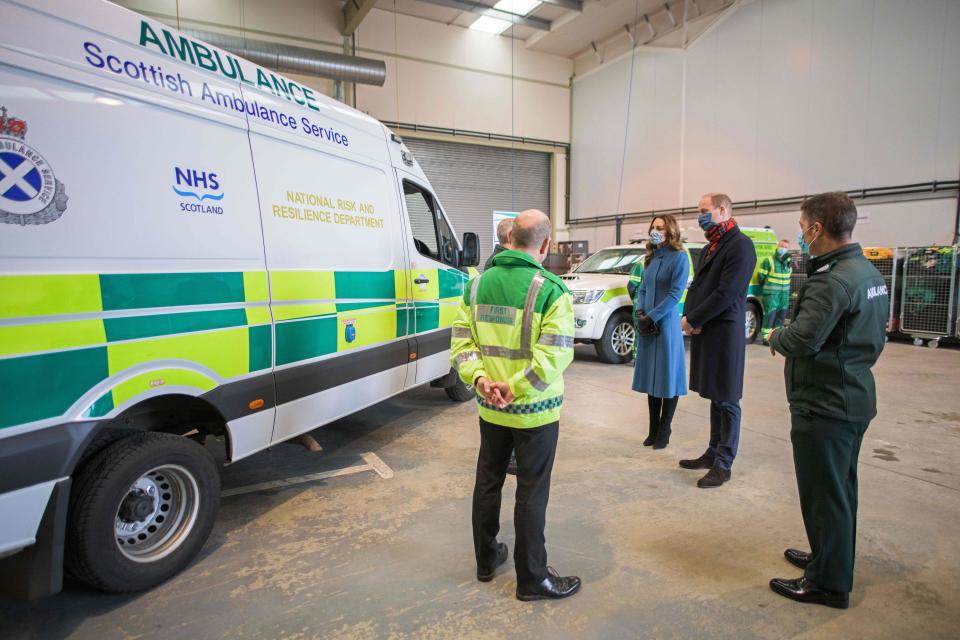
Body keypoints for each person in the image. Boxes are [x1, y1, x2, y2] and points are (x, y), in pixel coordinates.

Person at [450, 209, 581, 602]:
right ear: (544, 244)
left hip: (490, 409)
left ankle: (486, 560)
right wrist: (516, 388)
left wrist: (481, 380)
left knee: (488, 480)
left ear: (509, 240)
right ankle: (532, 579)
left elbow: (461, 343)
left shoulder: (476, 286)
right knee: (531, 491)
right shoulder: (551, 290)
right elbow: (554, 356)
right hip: (535, 412)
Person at [767, 192, 888, 609]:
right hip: (851, 395)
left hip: (826, 402)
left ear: (817, 229)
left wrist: (774, 336)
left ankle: (827, 583)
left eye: (802, 229)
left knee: (825, 494)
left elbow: (801, 338)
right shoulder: (866, 272)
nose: (800, 237)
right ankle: (828, 557)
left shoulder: (832, 280)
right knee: (839, 489)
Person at [679, 193, 757, 488]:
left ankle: (724, 463)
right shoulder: (713, 245)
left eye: (703, 211)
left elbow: (726, 293)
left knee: (727, 398)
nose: (699, 216)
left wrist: (694, 319)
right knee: (715, 395)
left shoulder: (740, 246)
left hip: (724, 332)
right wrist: (692, 317)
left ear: (722, 210)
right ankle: (712, 452)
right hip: (708, 330)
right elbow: (700, 287)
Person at [631, 215, 689, 449]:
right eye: (653, 228)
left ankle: (665, 429)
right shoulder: (651, 259)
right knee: (651, 379)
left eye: (660, 228)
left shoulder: (680, 258)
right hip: (647, 323)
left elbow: (675, 294)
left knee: (667, 378)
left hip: (665, 326)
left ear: (670, 231)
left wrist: (652, 317)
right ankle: (653, 428)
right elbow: (643, 288)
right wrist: (640, 313)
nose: (655, 231)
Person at [759, 239, 793, 343]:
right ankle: (766, 338)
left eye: (786, 247)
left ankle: (777, 338)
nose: (783, 249)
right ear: (777, 246)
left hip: (784, 295)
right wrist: (767, 289)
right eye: (782, 246)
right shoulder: (768, 261)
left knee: (781, 318)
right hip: (771, 295)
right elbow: (761, 277)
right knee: (770, 316)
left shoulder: (788, 263)